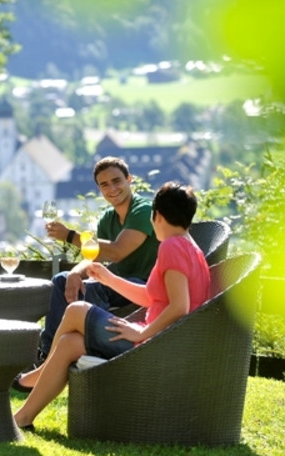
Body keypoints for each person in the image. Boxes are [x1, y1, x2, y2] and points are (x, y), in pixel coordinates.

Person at [13, 182, 211, 429]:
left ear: (157, 215)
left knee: (75, 310)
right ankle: (22, 418)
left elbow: (180, 307)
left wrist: (142, 332)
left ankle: (38, 373)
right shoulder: (191, 248)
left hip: (154, 345)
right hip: (165, 341)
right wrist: (109, 278)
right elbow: (153, 299)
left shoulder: (171, 246)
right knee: (68, 344)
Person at [37, 156, 160, 359]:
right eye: (104, 184)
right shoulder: (107, 218)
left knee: (94, 288)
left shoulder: (143, 209)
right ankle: (48, 353)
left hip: (144, 284)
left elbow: (116, 251)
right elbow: (94, 256)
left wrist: (70, 236)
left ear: (129, 179)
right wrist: (75, 273)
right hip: (116, 283)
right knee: (61, 279)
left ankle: (96, 350)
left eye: (116, 181)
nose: (111, 188)